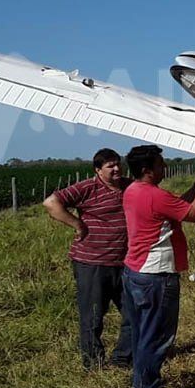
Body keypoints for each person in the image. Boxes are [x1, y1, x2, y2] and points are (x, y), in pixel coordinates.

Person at [122, 145, 195, 388]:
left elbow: (178, 206)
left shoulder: (134, 191)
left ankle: (140, 383)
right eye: (160, 164)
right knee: (157, 336)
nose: (164, 167)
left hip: (136, 271)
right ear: (147, 170)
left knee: (142, 333)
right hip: (156, 275)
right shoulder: (154, 196)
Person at [43, 148, 134, 371]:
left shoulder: (129, 186)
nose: (116, 169)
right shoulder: (87, 188)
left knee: (135, 313)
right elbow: (51, 203)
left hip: (124, 262)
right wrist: (77, 224)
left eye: (117, 164)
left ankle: (123, 358)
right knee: (93, 317)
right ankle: (93, 364)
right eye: (110, 166)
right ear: (97, 170)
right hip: (92, 263)